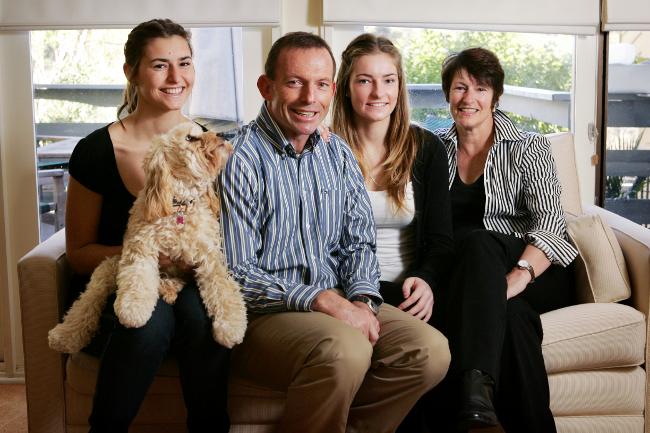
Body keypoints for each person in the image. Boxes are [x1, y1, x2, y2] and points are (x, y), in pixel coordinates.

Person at [220, 31, 451, 433]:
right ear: (266, 86)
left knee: (429, 350)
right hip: (265, 316)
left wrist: (361, 297)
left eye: (321, 84)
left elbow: (358, 242)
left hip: (340, 301)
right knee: (345, 348)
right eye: (295, 82)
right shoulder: (238, 157)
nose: (310, 98)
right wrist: (325, 300)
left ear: (332, 88)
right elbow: (237, 274)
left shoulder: (336, 152)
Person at [65, 19, 230, 433]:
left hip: (190, 282)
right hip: (125, 284)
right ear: (131, 72)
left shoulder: (211, 146)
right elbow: (79, 252)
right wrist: (145, 254)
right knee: (146, 321)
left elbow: (219, 232)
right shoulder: (97, 150)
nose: (176, 78)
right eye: (159, 65)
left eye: (185, 63)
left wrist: (192, 260)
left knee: (201, 314)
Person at [433, 47, 578, 432]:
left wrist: (516, 278)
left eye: (481, 88)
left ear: (495, 97)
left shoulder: (529, 146)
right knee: (512, 321)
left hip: (533, 267)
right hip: (470, 275)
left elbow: (550, 222)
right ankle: (487, 416)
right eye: (460, 87)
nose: (469, 98)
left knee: (481, 240)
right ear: (447, 93)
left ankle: (473, 391)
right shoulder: (433, 150)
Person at [331, 32, 453, 325]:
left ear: (400, 86)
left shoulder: (426, 147)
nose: (378, 93)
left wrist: (426, 280)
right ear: (346, 87)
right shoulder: (325, 149)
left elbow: (441, 240)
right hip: (343, 292)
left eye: (388, 80)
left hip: (409, 292)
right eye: (364, 80)